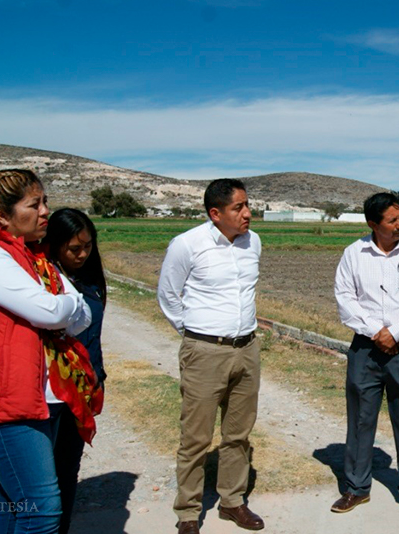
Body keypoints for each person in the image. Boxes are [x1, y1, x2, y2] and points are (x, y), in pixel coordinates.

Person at [0, 169, 94, 534]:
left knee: (16, 504)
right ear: (3, 216)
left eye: (44, 201)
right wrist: (61, 307)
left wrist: (61, 307)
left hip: (21, 400)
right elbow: (50, 311)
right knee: (42, 511)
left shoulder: (28, 256)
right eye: (35, 204)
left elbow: (82, 315)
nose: (46, 211)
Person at [158, 178, 264, 534]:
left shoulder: (254, 243)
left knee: (238, 433)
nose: (248, 213)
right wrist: (195, 336)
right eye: (239, 207)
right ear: (215, 213)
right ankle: (188, 512)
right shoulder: (187, 245)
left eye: (247, 205)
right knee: (196, 438)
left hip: (247, 349)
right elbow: (169, 296)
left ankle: (232, 502)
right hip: (205, 351)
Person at [331, 191, 399, 519]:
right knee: (361, 418)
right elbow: (345, 297)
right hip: (365, 348)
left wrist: (395, 332)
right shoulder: (354, 254)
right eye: (392, 220)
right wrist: (375, 330)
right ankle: (356, 487)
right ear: (373, 224)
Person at [44, 207, 108, 534]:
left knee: (69, 468)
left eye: (88, 246)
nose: (83, 254)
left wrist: (98, 376)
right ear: (54, 245)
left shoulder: (91, 281)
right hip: (54, 391)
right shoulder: (43, 281)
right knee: (44, 475)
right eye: (74, 248)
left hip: (86, 385)